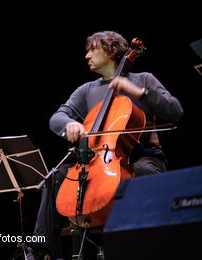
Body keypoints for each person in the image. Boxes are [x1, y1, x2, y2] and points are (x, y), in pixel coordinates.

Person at [27, 31, 183, 260]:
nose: (87, 55)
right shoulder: (87, 90)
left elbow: (175, 111)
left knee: (143, 174)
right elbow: (57, 117)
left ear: (111, 50)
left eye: (93, 49)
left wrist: (140, 93)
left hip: (143, 157)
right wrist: (70, 124)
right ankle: (42, 250)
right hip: (99, 159)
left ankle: (148, 245)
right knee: (56, 177)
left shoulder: (143, 80)